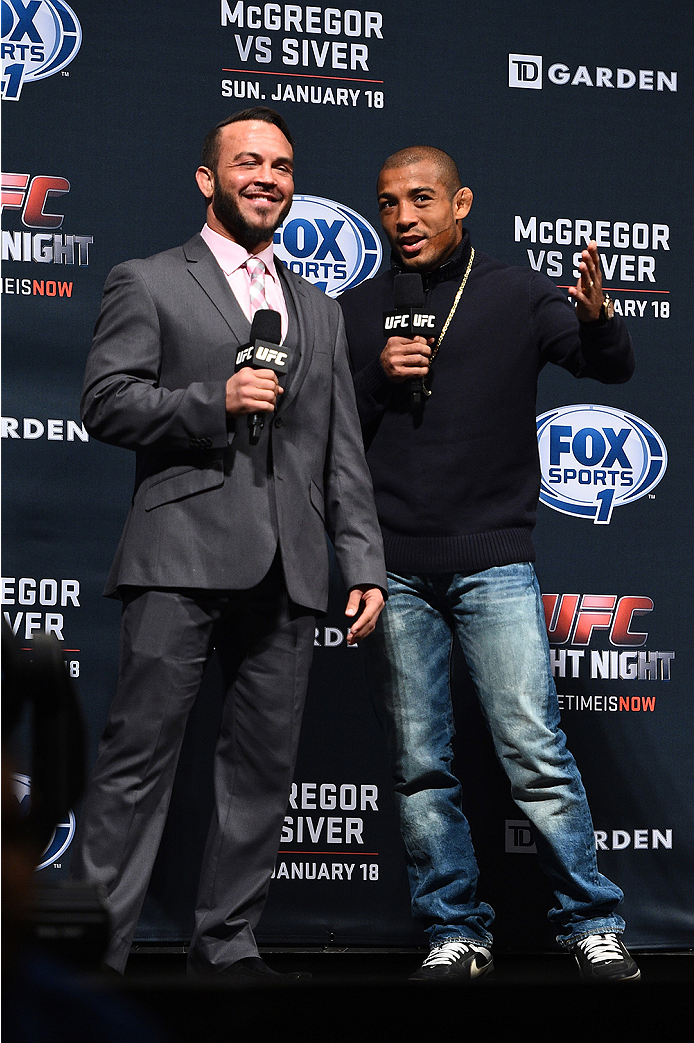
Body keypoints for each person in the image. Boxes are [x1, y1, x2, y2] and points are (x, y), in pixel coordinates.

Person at [70, 107, 386, 983]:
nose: (268, 177)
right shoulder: (149, 281)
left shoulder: (316, 311)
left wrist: (362, 564)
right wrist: (216, 399)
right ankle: (94, 957)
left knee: (261, 772)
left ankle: (229, 944)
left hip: (291, 566)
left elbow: (342, 453)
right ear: (207, 179)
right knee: (137, 765)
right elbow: (106, 403)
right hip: (178, 556)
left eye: (282, 166)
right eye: (248, 162)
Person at [339, 146, 640, 985]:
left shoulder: (517, 293)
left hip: (494, 564)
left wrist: (600, 319)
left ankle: (593, 920)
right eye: (389, 201)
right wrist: (375, 376)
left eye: (422, 199)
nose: (404, 217)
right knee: (419, 765)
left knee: (534, 753)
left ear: (461, 203)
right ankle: (454, 929)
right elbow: (326, 437)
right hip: (394, 569)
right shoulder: (358, 310)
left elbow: (608, 366)